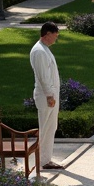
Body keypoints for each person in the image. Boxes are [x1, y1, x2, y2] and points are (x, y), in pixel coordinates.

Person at [29, 21, 63, 170]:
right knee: (45, 127)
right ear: (47, 34)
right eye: (54, 36)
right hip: (45, 96)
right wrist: (50, 95)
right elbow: (43, 76)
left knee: (51, 127)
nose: (55, 39)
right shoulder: (39, 51)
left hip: (50, 95)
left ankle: (46, 159)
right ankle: (42, 160)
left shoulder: (44, 49)